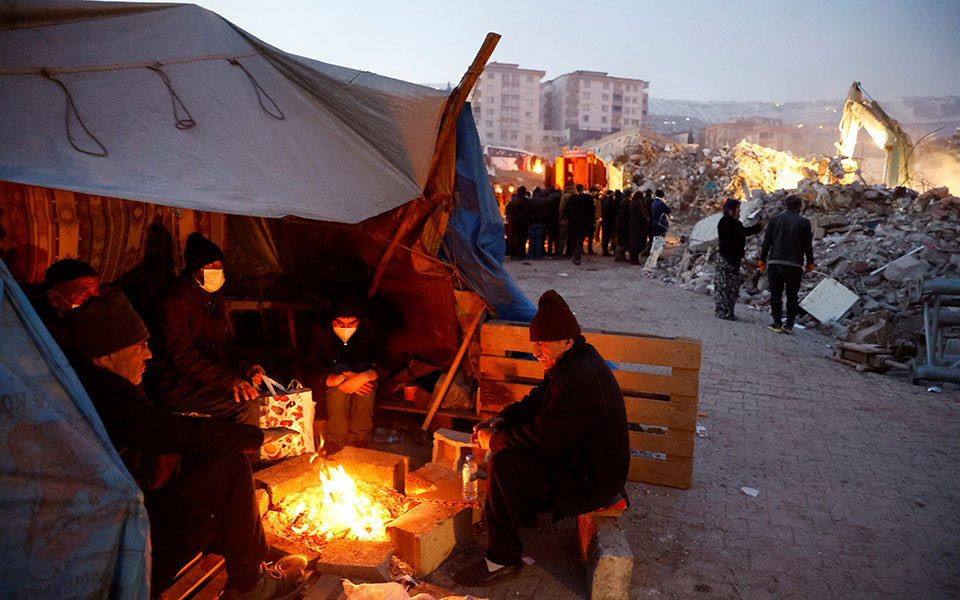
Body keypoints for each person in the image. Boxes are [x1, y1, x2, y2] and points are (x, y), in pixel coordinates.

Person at [64, 292, 302, 599]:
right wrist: (255, 437)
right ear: (104, 356)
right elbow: (162, 429)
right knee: (229, 465)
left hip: (120, 518)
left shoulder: (98, 384)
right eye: (139, 347)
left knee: (217, 464)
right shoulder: (102, 397)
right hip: (110, 544)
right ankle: (250, 584)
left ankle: (245, 560)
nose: (148, 355)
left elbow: (159, 427)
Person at [454, 290, 629, 587]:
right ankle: (516, 519)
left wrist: (493, 441)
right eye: (534, 344)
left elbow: (541, 439)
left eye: (541, 344)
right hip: (578, 457)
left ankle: (502, 559)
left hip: (595, 477)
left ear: (566, 340)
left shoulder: (582, 378)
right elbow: (539, 400)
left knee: (506, 465)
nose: (536, 351)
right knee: (510, 452)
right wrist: (503, 419)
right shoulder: (570, 362)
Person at [146, 233, 262, 425]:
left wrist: (248, 367)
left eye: (219, 265)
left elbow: (223, 341)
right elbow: (182, 356)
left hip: (207, 378)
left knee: (260, 390)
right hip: (178, 385)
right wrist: (228, 381)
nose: (216, 270)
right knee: (246, 405)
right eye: (209, 265)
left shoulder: (211, 296)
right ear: (195, 267)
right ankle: (242, 455)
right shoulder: (174, 300)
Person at [303, 294, 384, 452]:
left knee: (365, 387)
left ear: (359, 322)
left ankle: (360, 442)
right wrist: (337, 379)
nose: (345, 328)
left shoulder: (370, 335)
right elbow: (310, 365)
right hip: (331, 384)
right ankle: (336, 443)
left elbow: (385, 360)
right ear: (332, 321)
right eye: (340, 323)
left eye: (351, 323)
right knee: (338, 390)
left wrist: (364, 376)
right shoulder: (320, 334)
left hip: (364, 377)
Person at [759, 194, 815, 333]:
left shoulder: (775, 220)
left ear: (785, 205)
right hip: (795, 265)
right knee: (792, 295)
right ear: (799, 207)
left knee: (776, 294)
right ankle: (789, 324)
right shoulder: (804, 223)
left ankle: (776, 323)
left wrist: (762, 260)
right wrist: (810, 263)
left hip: (775, 262)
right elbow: (808, 245)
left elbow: (767, 242)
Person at [34, 258, 101, 350]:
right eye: (83, 294)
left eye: (96, 290)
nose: (95, 300)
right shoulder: (50, 336)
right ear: (54, 298)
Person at [714, 198, 763, 321]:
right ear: (730, 211)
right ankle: (722, 311)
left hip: (734, 261)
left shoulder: (736, 223)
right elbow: (734, 237)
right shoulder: (725, 223)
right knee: (724, 287)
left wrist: (757, 227)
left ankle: (728, 311)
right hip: (726, 260)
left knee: (732, 288)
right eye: (738, 210)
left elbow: (743, 232)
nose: (739, 212)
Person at [565, 184, 595, 266]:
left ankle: (574, 256)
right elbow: (592, 210)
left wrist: (569, 219)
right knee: (579, 241)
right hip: (583, 223)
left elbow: (566, 210)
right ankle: (577, 257)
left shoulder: (572, 199)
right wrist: (589, 220)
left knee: (574, 240)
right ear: (583, 189)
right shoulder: (588, 199)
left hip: (573, 223)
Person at [644, 189, 671, 269]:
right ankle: (654, 259)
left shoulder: (654, 202)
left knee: (655, 240)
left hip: (655, 224)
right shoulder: (660, 203)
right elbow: (668, 210)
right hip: (660, 224)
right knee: (659, 242)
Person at [628, 190, 651, 265]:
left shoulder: (633, 203)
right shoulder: (639, 203)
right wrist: (646, 219)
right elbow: (641, 214)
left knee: (634, 243)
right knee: (637, 243)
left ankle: (633, 258)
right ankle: (634, 258)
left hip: (633, 226)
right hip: (638, 227)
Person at [505, 187, 528, 259]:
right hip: (523, 223)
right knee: (522, 239)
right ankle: (521, 253)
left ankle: (513, 254)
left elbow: (507, 212)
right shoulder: (525, 202)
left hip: (513, 223)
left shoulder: (511, 202)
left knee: (513, 238)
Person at [526, 188, 549, 260]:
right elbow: (547, 212)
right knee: (539, 240)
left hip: (532, 222)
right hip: (541, 222)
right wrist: (543, 218)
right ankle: (538, 255)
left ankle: (531, 254)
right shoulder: (544, 201)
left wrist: (529, 219)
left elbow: (527, 211)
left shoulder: (530, 201)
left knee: (532, 240)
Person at [600, 190, 620, 256]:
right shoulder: (612, 202)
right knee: (611, 235)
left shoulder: (603, 200)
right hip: (610, 221)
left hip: (605, 221)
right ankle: (609, 249)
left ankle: (605, 249)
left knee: (605, 235)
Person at [614, 187, 631, 262]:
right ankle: (619, 256)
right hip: (623, 224)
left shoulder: (623, 201)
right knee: (622, 241)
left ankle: (621, 256)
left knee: (622, 240)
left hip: (621, 223)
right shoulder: (625, 202)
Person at [545, 187, 561, 256]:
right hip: (558, 220)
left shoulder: (549, 200)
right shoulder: (560, 198)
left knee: (550, 238)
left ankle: (550, 251)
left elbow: (547, 212)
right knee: (557, 237)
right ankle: (557, 251)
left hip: (550, 221)